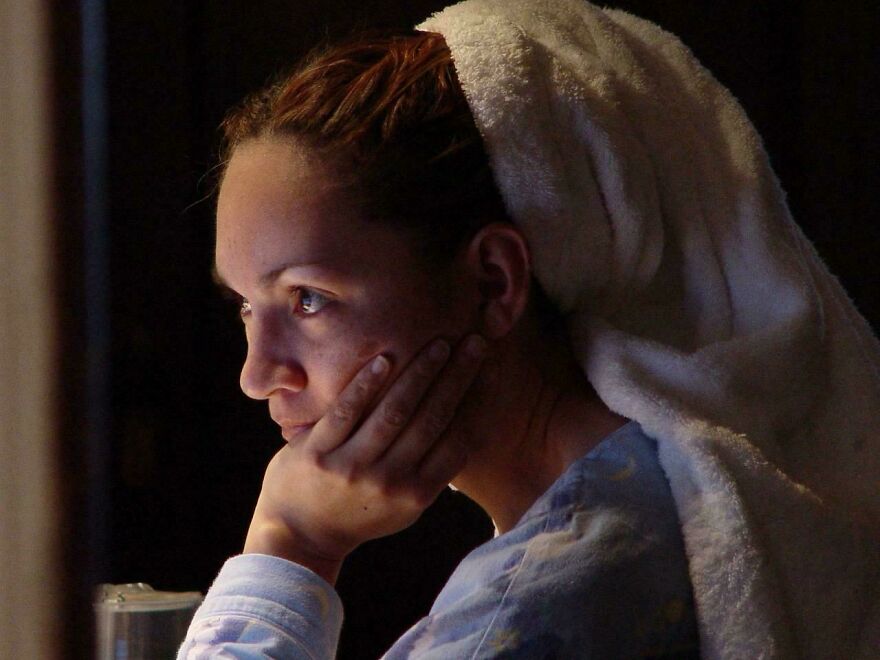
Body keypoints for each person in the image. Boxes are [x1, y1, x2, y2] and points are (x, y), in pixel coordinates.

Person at [179, 1, 880, 658]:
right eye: (246, 305)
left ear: (493, 283)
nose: (258, 374)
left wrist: (290, 543)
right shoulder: (646, 504)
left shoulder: (535, 606)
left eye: (307, 299)